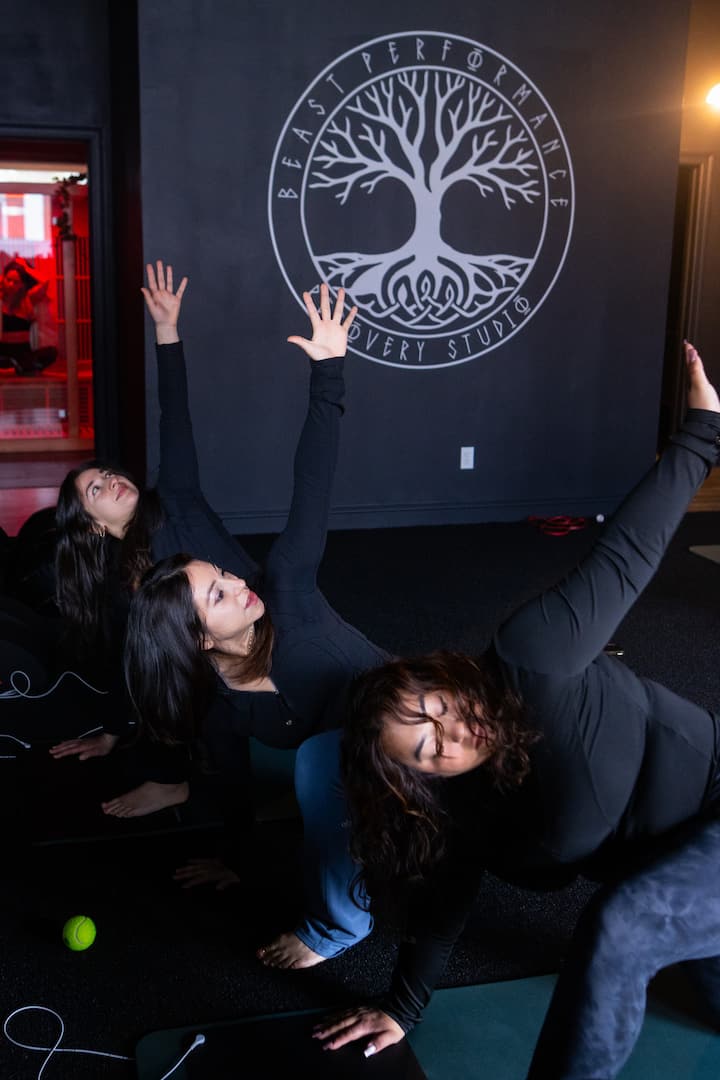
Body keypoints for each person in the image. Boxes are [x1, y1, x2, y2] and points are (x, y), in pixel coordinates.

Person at [309, 342, 720, 1078]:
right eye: (427, 749)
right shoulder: (462, 811)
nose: (451, 734)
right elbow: (444, 905)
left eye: (436, 706)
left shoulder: (534, 657)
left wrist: (701, 431)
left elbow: (625, 554)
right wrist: (402, 1007)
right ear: (420, 782)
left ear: (447, 676)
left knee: (620, 929)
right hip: (673, 875)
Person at [124, 282, 389, 966]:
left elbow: (312, 486)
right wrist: (233, 860)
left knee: (315, 763)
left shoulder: (288, 589)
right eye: (219, 593)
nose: (240, 583)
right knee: (315, 769)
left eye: (224, 574)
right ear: (199, 641)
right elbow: (233, 786)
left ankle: (340, 927)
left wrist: (329, 372)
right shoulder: (219, 702)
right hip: (361, 775)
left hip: (409, 735)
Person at [47, 260, 259, 817]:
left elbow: (176, 418)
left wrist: (166, 329)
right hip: (211, 661)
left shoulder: (177, 497)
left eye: (108, 473)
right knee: (162, 669)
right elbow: (131, 667)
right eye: (95, 489)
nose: (111, 480)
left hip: (259, 627)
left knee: (201, 691)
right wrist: (114, 732)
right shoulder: (120, 586)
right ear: (92, 524)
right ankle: (181, 783)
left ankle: (200, 793)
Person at [0, 257, 57, 375]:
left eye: (16, 282)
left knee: (51, 352)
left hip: (23, 354)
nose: (11, 284)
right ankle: (19, 368)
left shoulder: (27, 299)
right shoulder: (1, 299)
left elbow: (45, 281)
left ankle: (20, 368)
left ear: (22, 284)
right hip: (3, 353)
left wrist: (25, 268)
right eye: (8, 280)